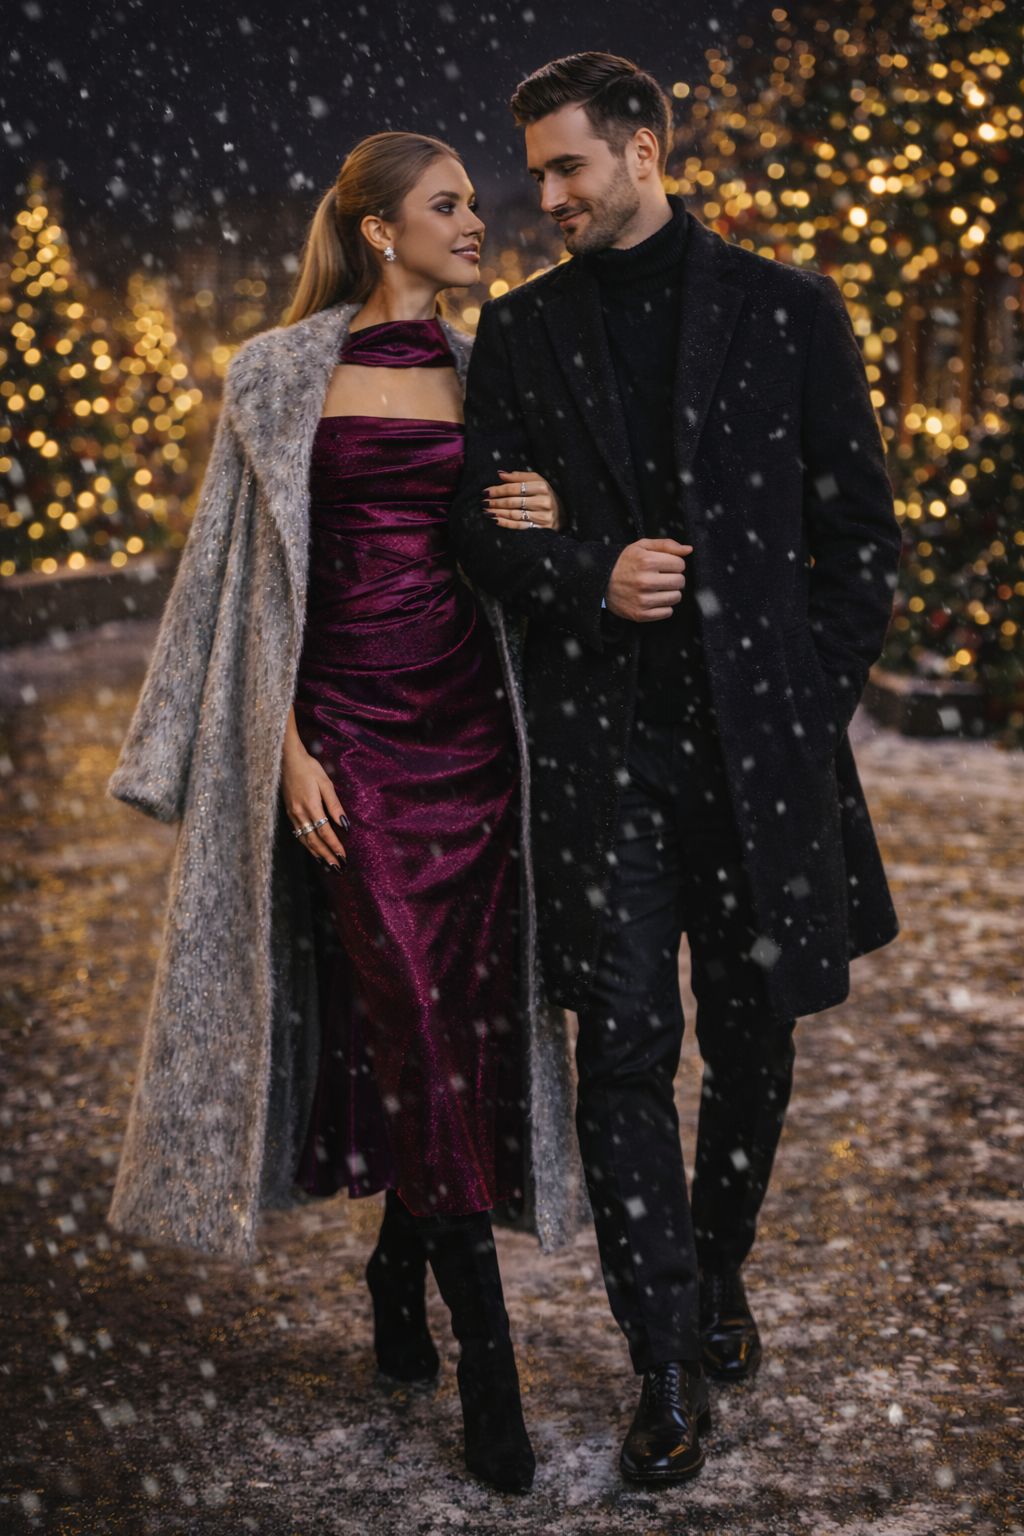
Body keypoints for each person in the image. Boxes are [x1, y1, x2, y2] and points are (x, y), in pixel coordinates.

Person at [107, 131, 583, 1496]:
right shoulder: (276, 372)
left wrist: (546, 507)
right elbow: (235, 583)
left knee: (464, 1038)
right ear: (381, 230)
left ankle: (396, 1266)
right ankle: (490, 1370)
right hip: (349, 756)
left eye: (477, 206)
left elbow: (523, 545)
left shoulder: (500, 372)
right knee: (419, 1027)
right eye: (449, 207)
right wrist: (285, 750)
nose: (479, 223)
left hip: (474, 747)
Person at [450, 54, 901, 1487]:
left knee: (755, 1038)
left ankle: (719, 1270)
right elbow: (482, 533)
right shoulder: (520, 332)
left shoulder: (790, 309)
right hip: (608, 765)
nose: (550, 197)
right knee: (625, 1053)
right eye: (537, 174)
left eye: (569, 166)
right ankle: (661, 1366)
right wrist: (591, 572)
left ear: (645, 149)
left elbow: (865, 543)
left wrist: (799, 706)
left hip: (761, 758)